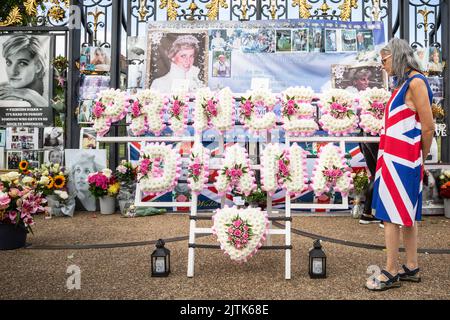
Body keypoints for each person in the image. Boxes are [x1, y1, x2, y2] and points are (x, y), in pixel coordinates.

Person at [366, 38, 434, 291]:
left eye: (383, 60)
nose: (382, 65)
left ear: (396, 56)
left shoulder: (415, 82)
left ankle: (391, 270)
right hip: (396, 158)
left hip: (403, 159)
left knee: (391, 217)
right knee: (405, 216)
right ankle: (412, 265)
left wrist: (420, 157)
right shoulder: (405, 83)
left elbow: (428, 126)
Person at [0, 34, 48, 108]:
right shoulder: (4, 90)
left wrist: (30, 95)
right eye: (9, 62)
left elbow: (57, 112)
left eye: (22, 63)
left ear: (38, 67)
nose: (12, 72)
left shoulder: (52, 82)